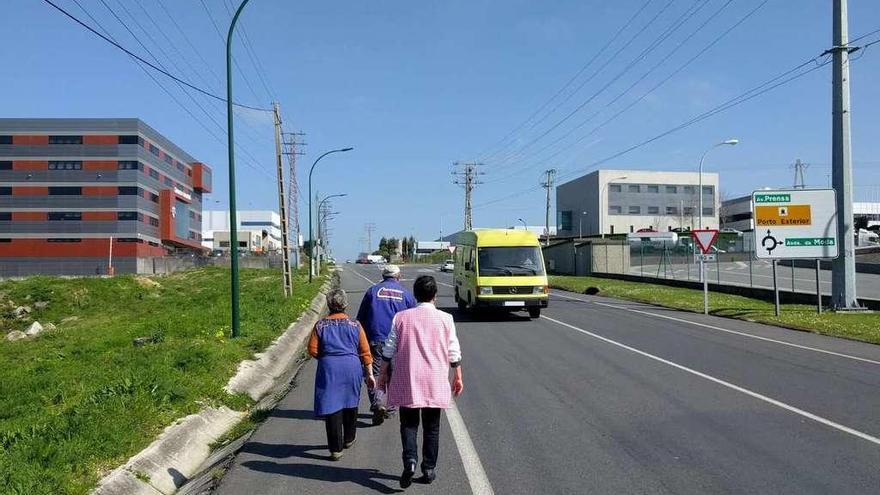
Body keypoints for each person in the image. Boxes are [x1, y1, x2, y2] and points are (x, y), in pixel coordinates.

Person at [378, 275, 463, 488]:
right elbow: (453, 350)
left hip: (408, 378)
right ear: (435, 295)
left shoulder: (401, 317)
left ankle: (410, 461)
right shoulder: (446, 318)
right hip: (434, 379)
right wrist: (458, 375)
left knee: (408, 424)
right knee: (432, 427)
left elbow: (389, 348)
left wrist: (382, 373)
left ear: (415, 295)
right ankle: (429, 468)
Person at [308, 289, 376, 461]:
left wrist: (326, 357)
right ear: (345, 304)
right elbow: (365, 351)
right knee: (350, 402)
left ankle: (335, 449)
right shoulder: (355, 325)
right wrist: (369, 374)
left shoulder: (320, 325)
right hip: (351, 367)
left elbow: (312, 349)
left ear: (329, 305)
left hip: (329, 368)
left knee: (331, 406)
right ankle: (349, 438)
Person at [356, 264, 417, 425]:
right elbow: (414, 320)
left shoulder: (372, 291)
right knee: (395, 375)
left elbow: (360, 318)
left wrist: (360, 341)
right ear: (399, 276)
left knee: (375, 374)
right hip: (398, 342)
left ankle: (377, 402)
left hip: (375, 339)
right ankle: (390, 408)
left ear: (383, 276)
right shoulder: (406, 295)